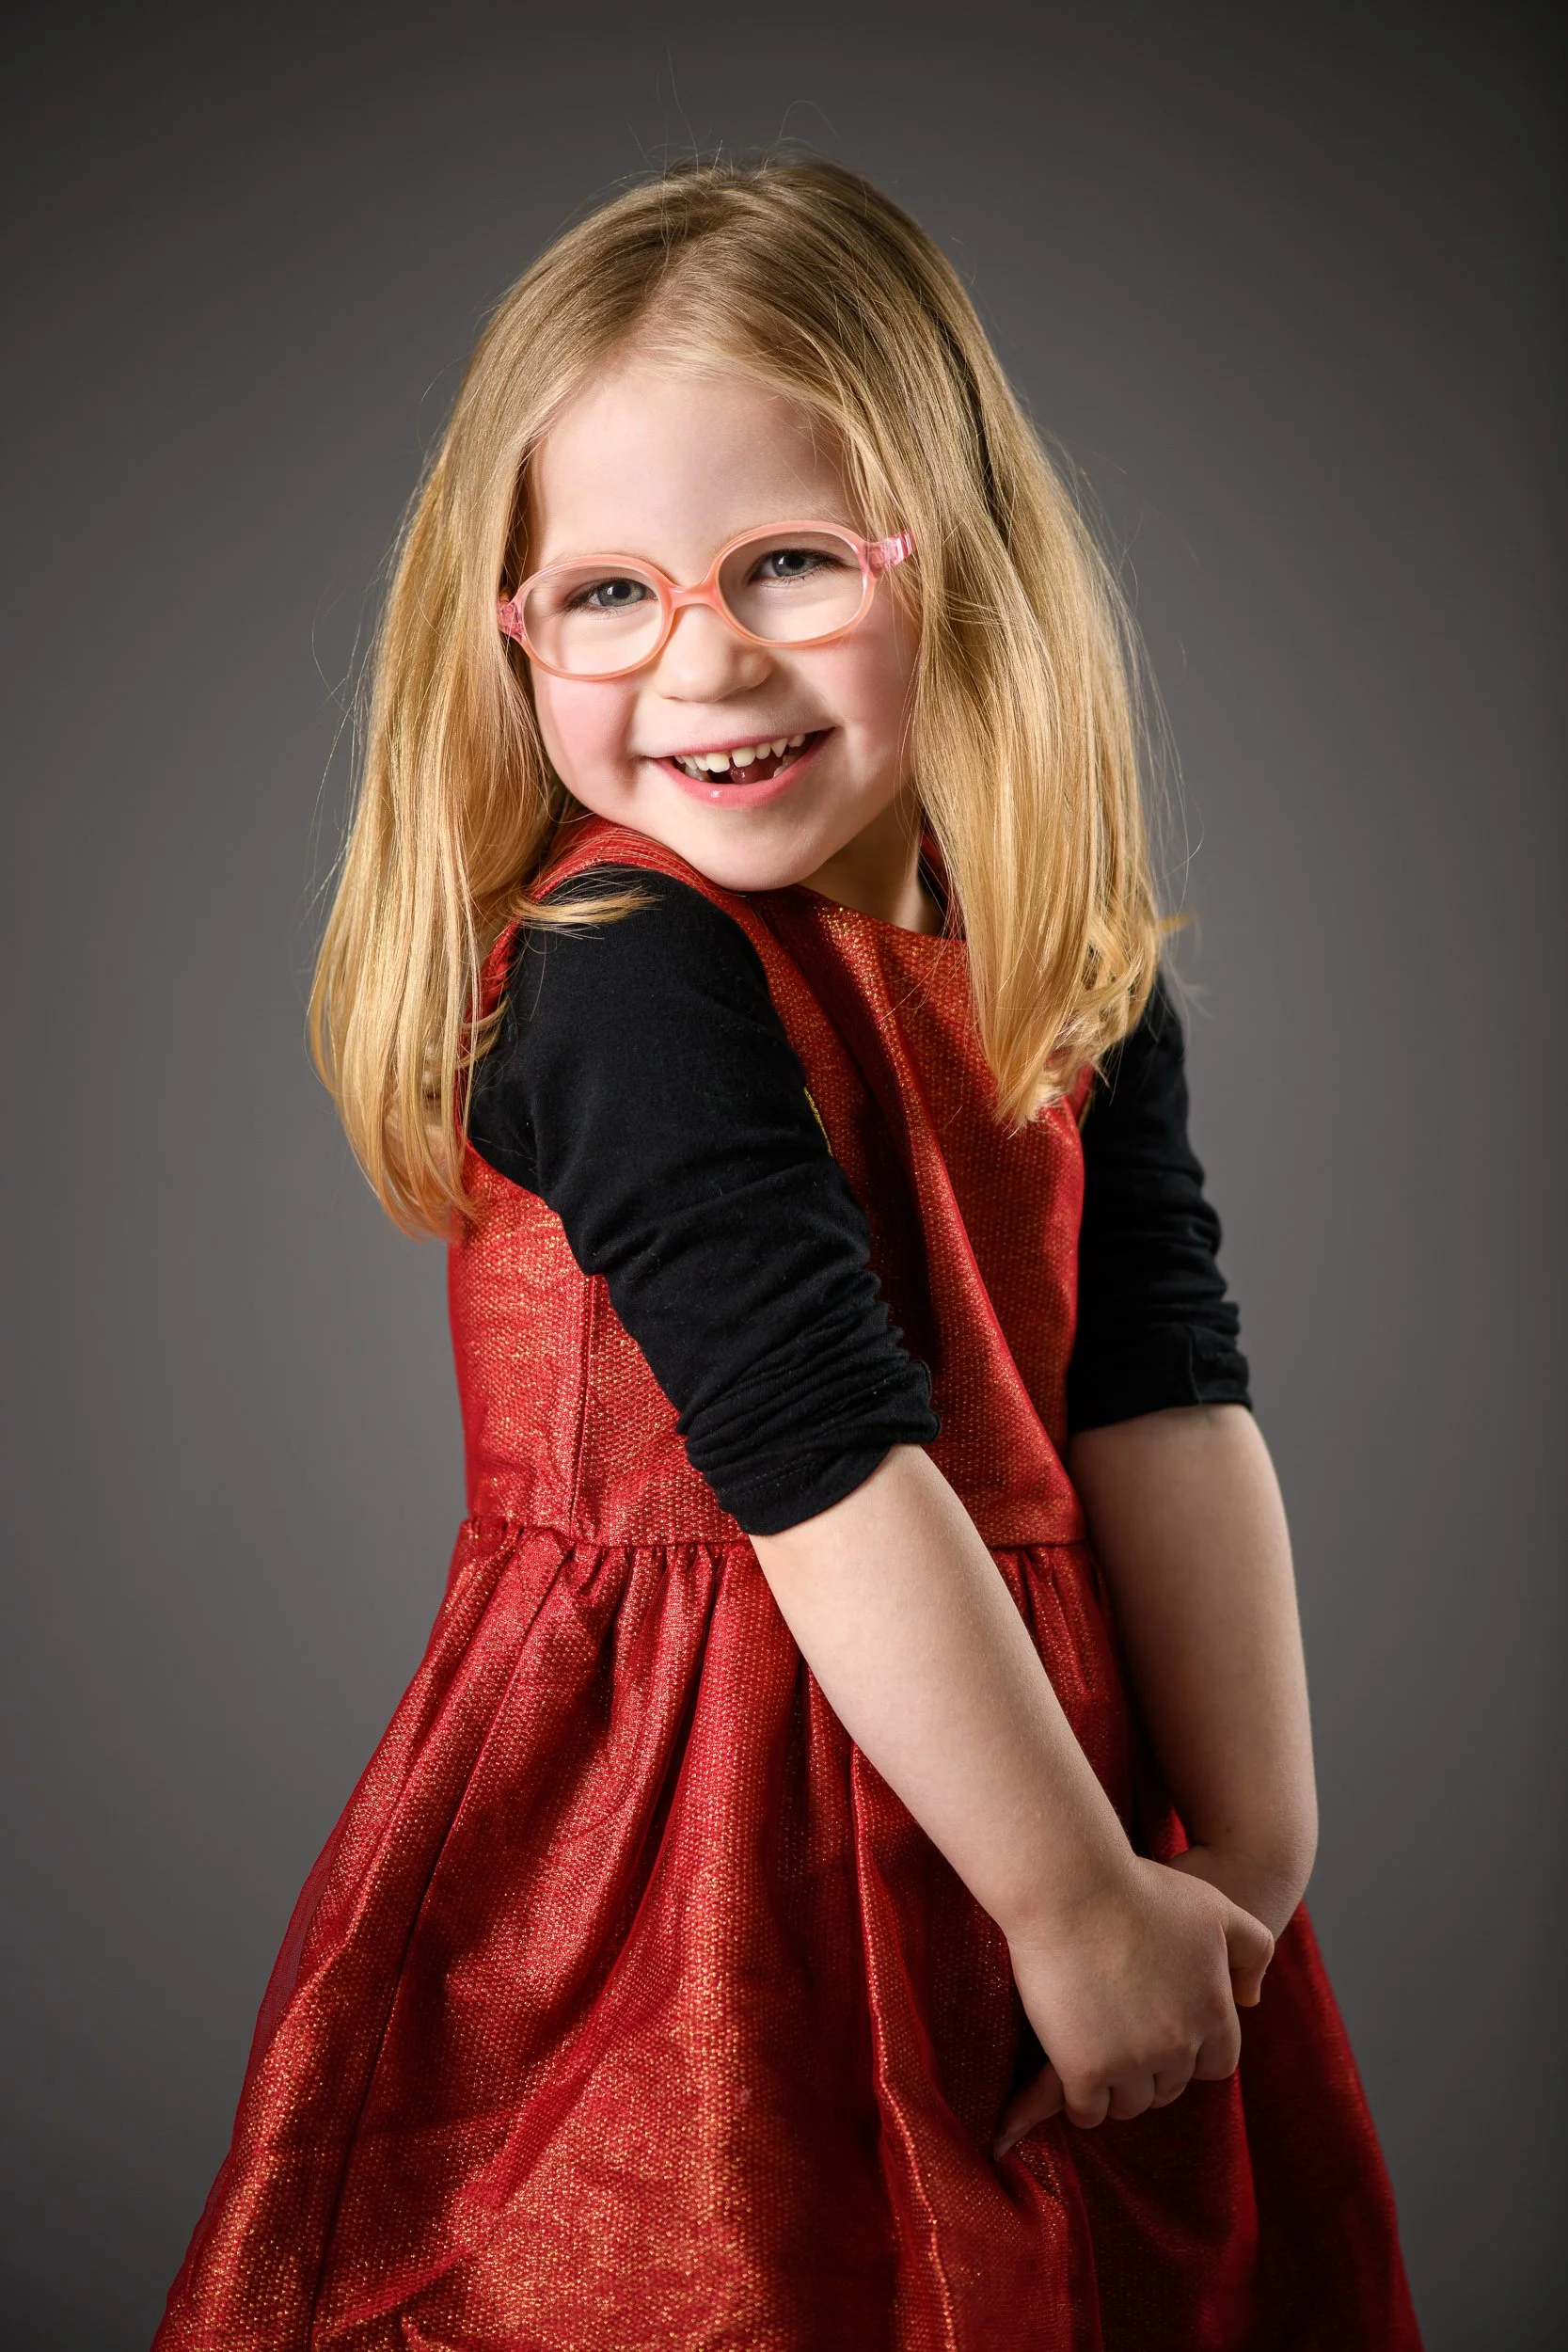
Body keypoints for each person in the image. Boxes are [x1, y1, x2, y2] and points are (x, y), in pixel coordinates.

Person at [154, 156, 1421, 2349]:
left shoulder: (1038, 943)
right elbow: (814, 1454)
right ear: (511, 632)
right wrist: (1061, 1888)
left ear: (955, 568)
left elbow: (1158, 1379)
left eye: (789, 565)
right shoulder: (628, 960)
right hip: (690, 1837)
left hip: (1044, 1769)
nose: (702, 656)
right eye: (611, 594)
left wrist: (1237, 1857)